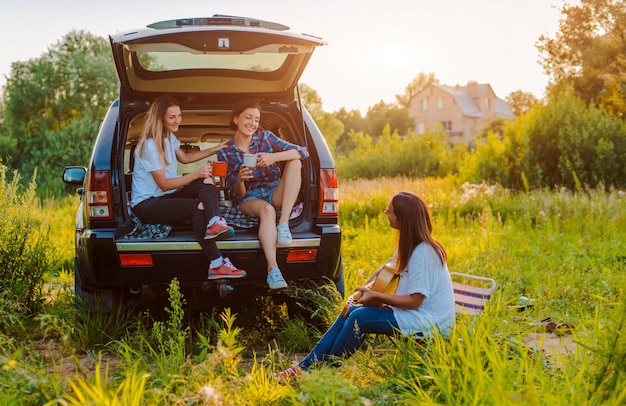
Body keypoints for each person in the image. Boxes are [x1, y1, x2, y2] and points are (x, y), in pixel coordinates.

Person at [275, 191, 456, 379]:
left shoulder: (424, 253)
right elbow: (387, 269)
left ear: (403, 219)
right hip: (412, 315)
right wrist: (369, 287)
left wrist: (377, 296)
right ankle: (306, 366)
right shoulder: (409, 245)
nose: (386, 212)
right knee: (351, 311)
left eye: (391, 211)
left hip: (428, 322)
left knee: (359, 318)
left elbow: (415, 301)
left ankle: (324, 373)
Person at [131, 95, 246, 280]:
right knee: (197, 206)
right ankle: (217, 264)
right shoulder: (149, 146)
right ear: (160, 118)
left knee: (206, 180)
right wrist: (195, 174)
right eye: (172, 117)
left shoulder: (168, 137)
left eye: (179, 115)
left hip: (165, 197)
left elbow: (184, 158)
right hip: (146, 205)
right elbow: (164, 184)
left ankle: (215, 222)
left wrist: (215, 149)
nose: (178, 120)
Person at [218, 99, 309, 290]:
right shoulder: (225, 151)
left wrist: (273, 157)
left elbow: (302, 152)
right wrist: (240, 179)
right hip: (249, 197)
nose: (252, 123)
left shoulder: (266, 138)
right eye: (248, 117)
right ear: (236, 119)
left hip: (274, 190)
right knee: (267, 211)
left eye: (256, 119)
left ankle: (283, 223)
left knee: (295, 163)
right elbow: (237, 193)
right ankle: (273, 270)